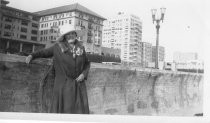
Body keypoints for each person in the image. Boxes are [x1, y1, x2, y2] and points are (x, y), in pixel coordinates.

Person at [25, 29, 90, 114]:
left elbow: (87, 63)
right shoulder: (58, 47)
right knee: (64, 113)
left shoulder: (81, 48)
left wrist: (83, 74)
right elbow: (44, 52)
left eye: (73, 33)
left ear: (76, 35)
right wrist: (32, 55)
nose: (71, 36)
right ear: (64, 37)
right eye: (68, 34)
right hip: (63, 86)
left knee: (79, 113)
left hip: (78, 86)